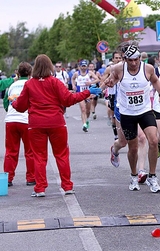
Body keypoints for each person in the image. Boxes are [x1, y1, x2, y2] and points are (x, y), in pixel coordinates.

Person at [11, 54, 100, 197]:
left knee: (39, 157)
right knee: (61, 155)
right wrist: (88, 92)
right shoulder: (55, 82)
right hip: (56, 122)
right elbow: (68, 100)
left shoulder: (29, 84)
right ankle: (67, 186)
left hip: (36, 125)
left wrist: (13, 103)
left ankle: (40, 188)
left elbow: (21, 107)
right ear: (50, 67)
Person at [104, 43, 160, 193]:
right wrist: (106, 85)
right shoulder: (118, 69)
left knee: (153, 140)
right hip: (127, 113)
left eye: (136, 59)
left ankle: (152, 176)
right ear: (125, 59)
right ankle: (134, 175)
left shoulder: (148, 69)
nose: (134, 63)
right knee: (132, 147)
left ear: (140, 58)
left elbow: (155, 81)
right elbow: (111, 81)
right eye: (130, 60)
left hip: (144, 111)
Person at [4, 62, 35, 187]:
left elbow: (6, 104)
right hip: (26, 120)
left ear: (17, 73)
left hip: (11, 120)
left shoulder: (12, 85)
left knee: (11, 151)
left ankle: (8, 178)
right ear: (30, 73)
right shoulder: (31, 84)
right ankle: (31, 178)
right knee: (30, 151)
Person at [72, 60, 100, 132]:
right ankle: (84, 124)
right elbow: (72, 79)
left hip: (88, 94)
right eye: (82, 66)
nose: (83, 67)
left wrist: (90, 82)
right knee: (83, 109)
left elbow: (97, 79)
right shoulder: (76, 73)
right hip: (80, 93)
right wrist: (73, 85)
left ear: (86, 67)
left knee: (88, 111)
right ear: (80, 66)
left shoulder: (90, 73)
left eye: (85, 66)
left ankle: (86, 120)